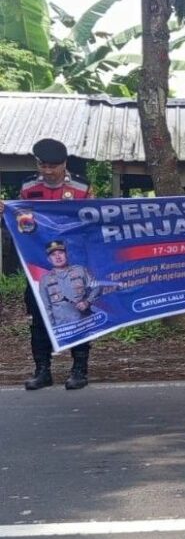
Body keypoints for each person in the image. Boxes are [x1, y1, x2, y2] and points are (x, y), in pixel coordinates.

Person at [0, 138, 95, 390]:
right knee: (40, 316)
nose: (48, 171)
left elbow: (93, 222)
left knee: (78, 312)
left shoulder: (81, 188)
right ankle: (43, 370)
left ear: (64, 164)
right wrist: (6, 213)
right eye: (43, 165)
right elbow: (22, 222)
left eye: (53, 166)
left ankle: (79, 370)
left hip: (73, 263)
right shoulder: (28, 187)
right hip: (40, 266)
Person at [38, 240, 103, 326]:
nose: (57, 257)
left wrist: (87, 302)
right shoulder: (45, 280)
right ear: (49, 259)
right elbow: (46, 307)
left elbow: (97, 287)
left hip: (84, 323)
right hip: (63, 329)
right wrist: (53, 329)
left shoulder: (80, 270)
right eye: (53, 255)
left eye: (60, 253)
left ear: (67, 254)